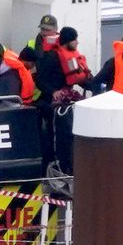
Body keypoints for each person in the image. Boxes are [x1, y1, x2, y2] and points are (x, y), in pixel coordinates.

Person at [35, 26, 91, 173]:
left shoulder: (71, 57)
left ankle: (67, 166)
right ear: (68, 41)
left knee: (67, 136)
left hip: (66, 103)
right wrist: (53, 91)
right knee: (54, 137)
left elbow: (80, 80)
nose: (77, 42)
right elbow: (39, 80)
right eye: (75, 39)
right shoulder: (51, 57)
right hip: (51, 104)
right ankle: (55, 168)